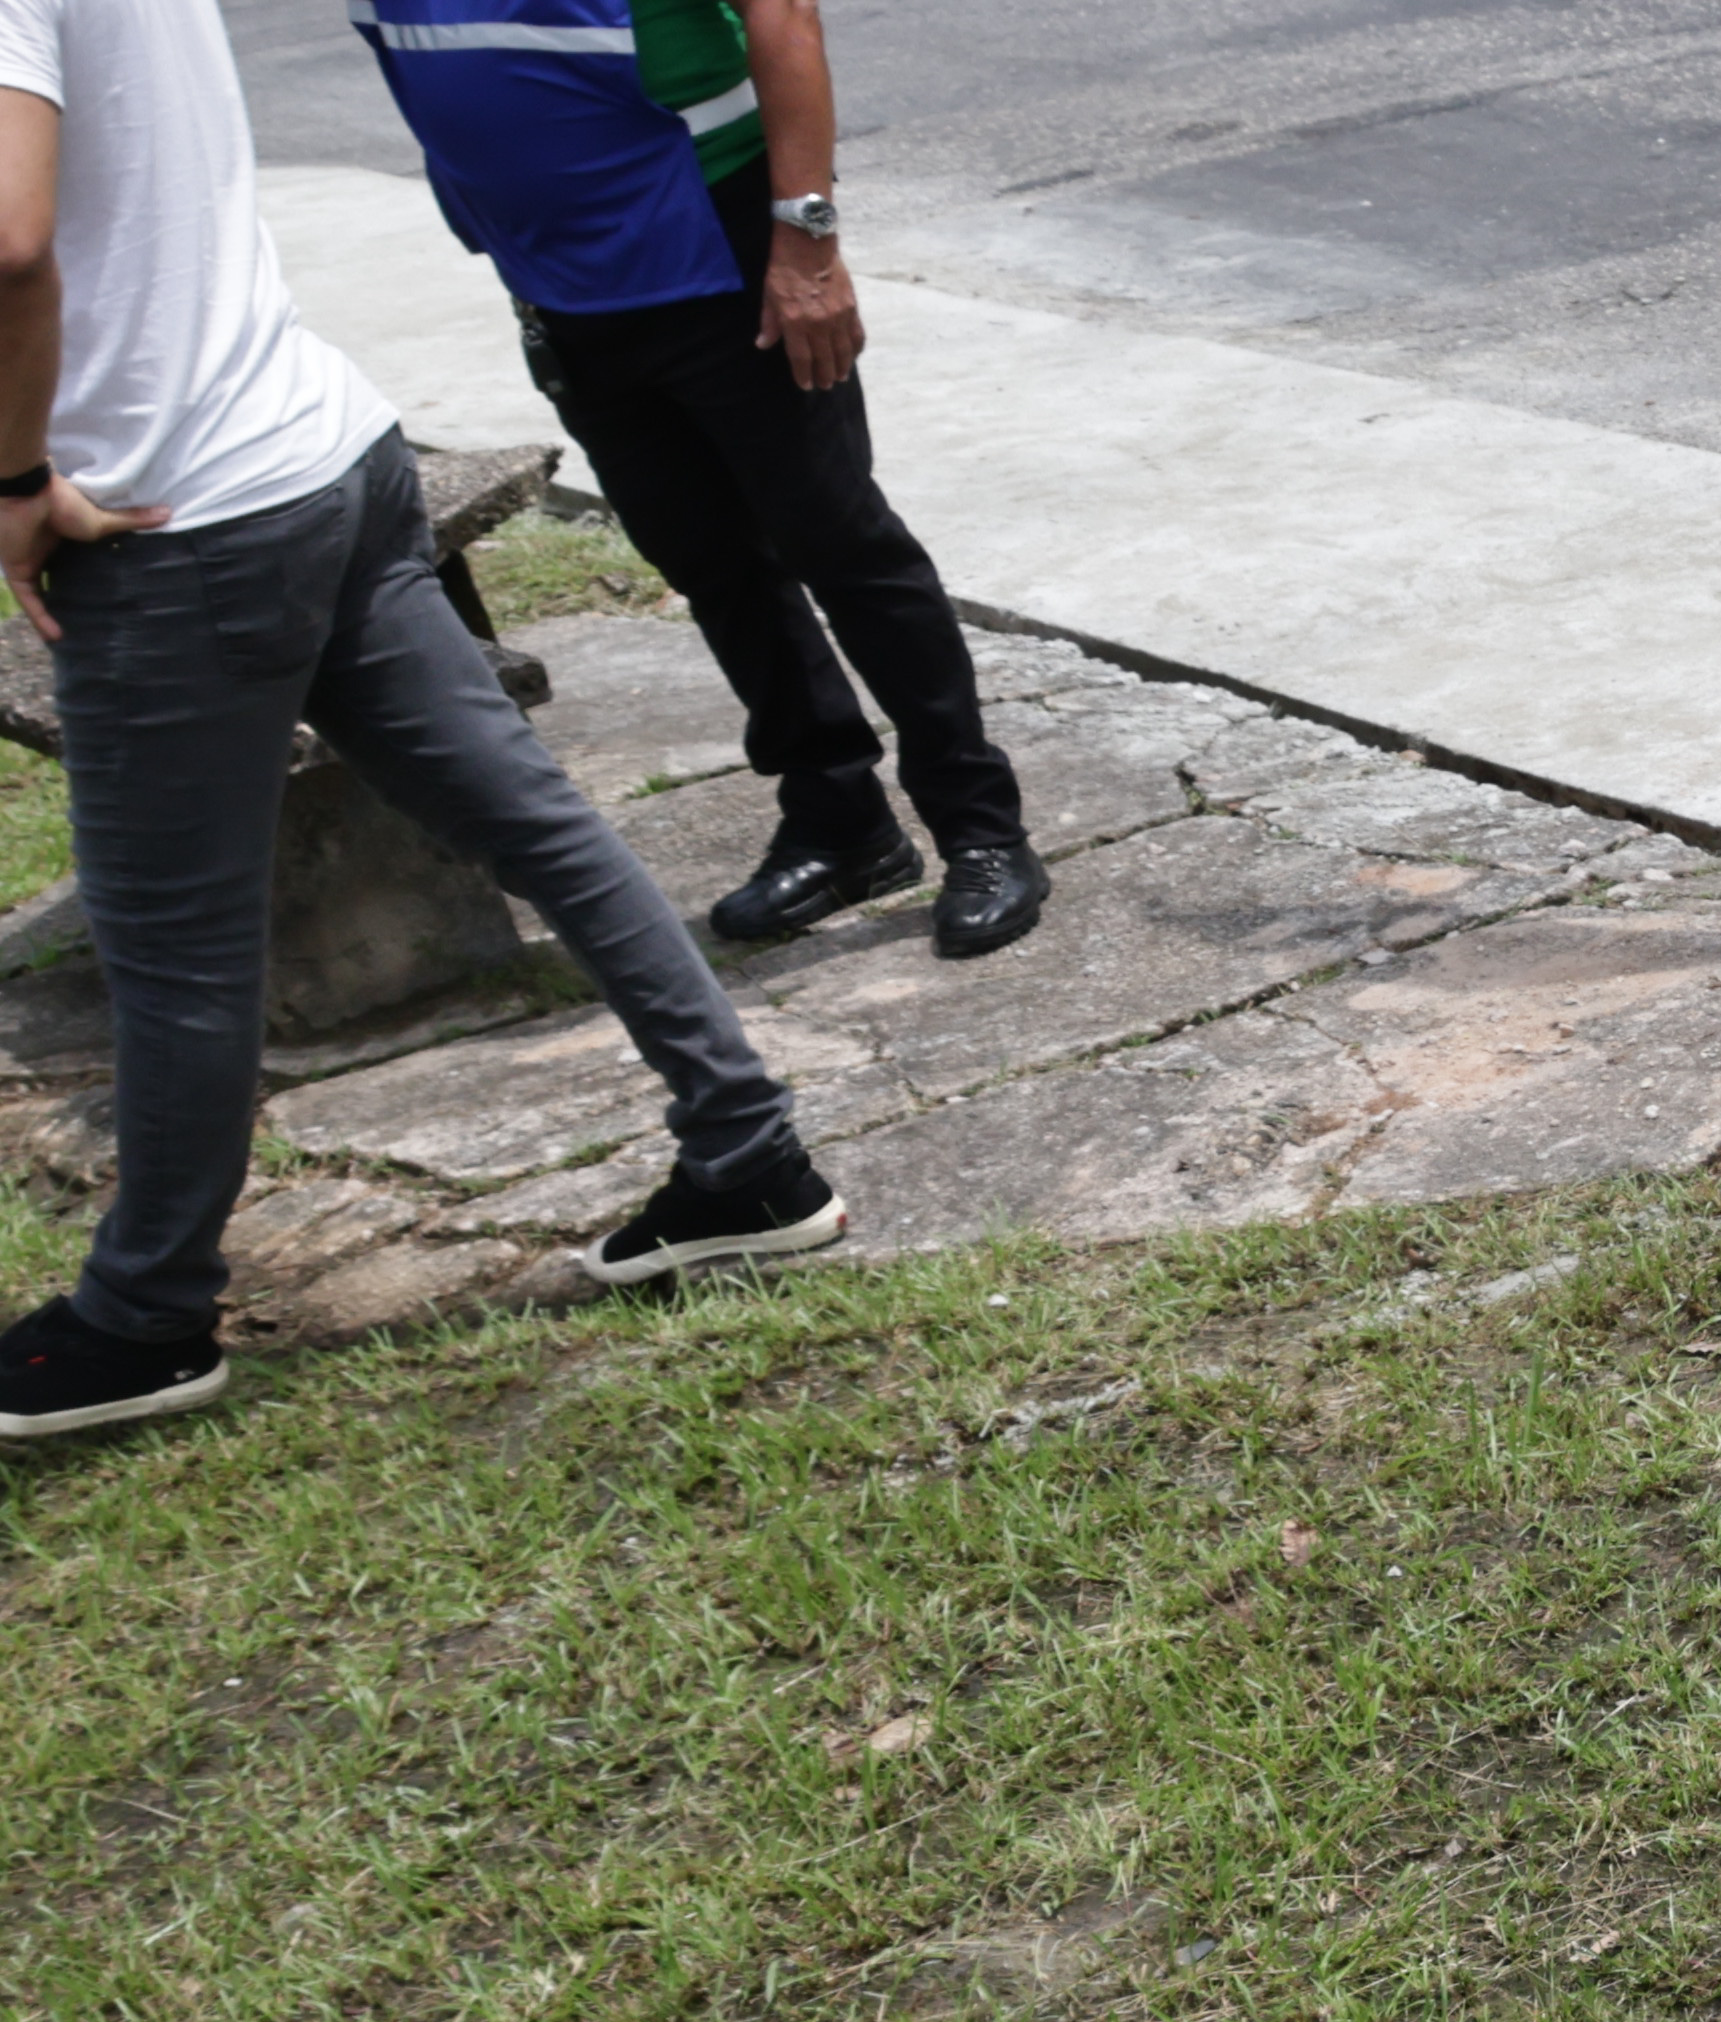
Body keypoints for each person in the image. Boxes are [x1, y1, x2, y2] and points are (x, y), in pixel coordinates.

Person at [0, 0, 841, 1443]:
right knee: (542, 828)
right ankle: (751, 1158)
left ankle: (143, 1320)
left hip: (167, 517)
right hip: (327, 453)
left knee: (181, 954)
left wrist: (12, 480)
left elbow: (11, 240)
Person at [348, 0, 1036, 957]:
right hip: (562, 278)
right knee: (706, 559)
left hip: (723, 240)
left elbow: (784, 18)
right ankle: (842, 824)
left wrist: (805, 243)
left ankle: (981, 827)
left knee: (840, 542)